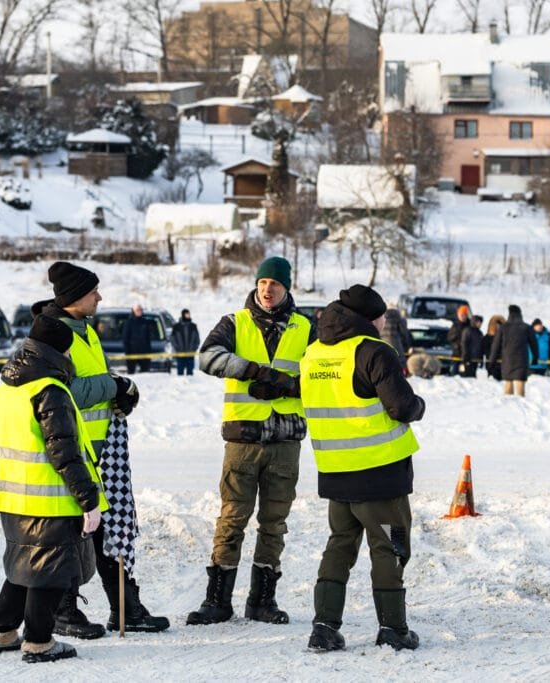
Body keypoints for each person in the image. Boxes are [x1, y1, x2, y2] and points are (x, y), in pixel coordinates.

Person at [34, 262, 168, 639]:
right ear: (76, 297)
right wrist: (113, 387)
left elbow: (98, 381)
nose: (100, 297)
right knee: (71, 532)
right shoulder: (54, 335)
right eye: (94, 292)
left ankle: (125, 608)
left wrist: (122, 395)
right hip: (69, 450)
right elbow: (62, 391)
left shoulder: (86, 331)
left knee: (108, 528)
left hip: (101, 450)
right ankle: (63, 610)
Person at [300, 285, 425, 652]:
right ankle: (393, 628)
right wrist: (419, 404)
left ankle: (324, 627)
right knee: (391, 546)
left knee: (339, 545)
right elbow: (401, 406)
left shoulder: (314, 353)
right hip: (380, 473)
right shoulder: (373, 351)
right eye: (382, 316)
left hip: (336, 471)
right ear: (372, 318)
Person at [0, 314, 108, 664]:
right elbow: (64, 452)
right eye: (68, 350)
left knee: (23, 567)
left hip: (14, 497)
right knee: (51, 573)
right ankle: (38, 642)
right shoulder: (49, 390)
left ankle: (2, 632)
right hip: (49, 501)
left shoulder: (10, 386)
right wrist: (89, 499)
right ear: (58, 351)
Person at [188, 256, 310, 626]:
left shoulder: (307, 327)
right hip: (244, 438)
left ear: (287, 287)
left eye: (275, 283)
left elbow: (322, 376)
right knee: (232, 517)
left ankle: (262, 601)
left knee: (275, 523)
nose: (267, 289)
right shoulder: (235, 322)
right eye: (262, 283)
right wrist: (254, 371)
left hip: (286, 439)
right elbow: (208, 358)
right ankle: (217, 601)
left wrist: (289, 385)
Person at [488, 305, 537, 397]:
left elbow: (496, 346)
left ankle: (508, 405)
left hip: (507, 361)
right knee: (520, 388)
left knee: (508, 385)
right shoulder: (526, 327)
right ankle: (521, 404)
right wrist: (535, 358)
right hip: (521, 361)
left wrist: (491, 361)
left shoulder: (503, 328)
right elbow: (534, 344)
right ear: (520, 314)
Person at [122, 304, 153, 374]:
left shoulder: (145, 322)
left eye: (140, 310)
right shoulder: (129, 323)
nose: (139, 311)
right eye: (137, 310)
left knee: (145, 374)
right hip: (132, 353)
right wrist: (127, 352)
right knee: (131, 374)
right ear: (133, 311)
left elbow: (148, 338)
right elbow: (125, 338)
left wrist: (149, 351)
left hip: (144, 353)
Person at [171, 308, 200, 376]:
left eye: (189, 314)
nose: (188, 315)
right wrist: (177, 348)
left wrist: (194, 348)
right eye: (187, 314)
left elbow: (197, 339)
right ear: (183, 315)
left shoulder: (193, 326)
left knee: (190, 374)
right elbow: (172, 339)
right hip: (180, 353)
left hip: (190, 354)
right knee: (180, 374)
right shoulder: (176, 326)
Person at [446, 305, 471, 376]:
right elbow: (449, 337)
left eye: (463, 315)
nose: (462, 317)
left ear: (466, 315)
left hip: (467, 355)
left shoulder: (469, 325)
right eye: (460, 315)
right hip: (456, 354)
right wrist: (455, 344)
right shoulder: (455, 325)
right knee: (454, 373)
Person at [483, 315, 505, 381]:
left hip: (503, 364)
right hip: (491, 364)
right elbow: (485, 349)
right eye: (496, 325)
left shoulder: (505, 338)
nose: (498, 327)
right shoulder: (487, 337)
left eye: (500, 325)